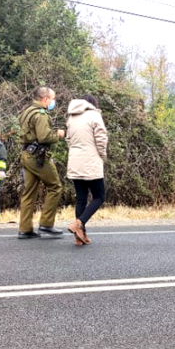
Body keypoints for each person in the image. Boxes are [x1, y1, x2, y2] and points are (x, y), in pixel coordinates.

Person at [17, 87, 65, 239]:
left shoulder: (27, 111)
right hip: (38, 157)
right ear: (45, 99)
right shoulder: (40, 114)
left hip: (26, 154)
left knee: (29, 192)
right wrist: (58, 134)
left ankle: (25, 229)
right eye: (52, 98)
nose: (53, 101)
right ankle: (46, 223)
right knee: (55, 187)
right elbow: (44, 137)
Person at [66, 94, 108, 246]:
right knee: (99, 196)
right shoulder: (94, 115)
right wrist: (102, 156)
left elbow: (68, 140)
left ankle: (79, 236)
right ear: (92, 103)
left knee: (81, 198)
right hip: (91, 160)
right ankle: (79, 223)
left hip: (75, 161)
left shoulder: (71, 117)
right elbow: (101, 138)